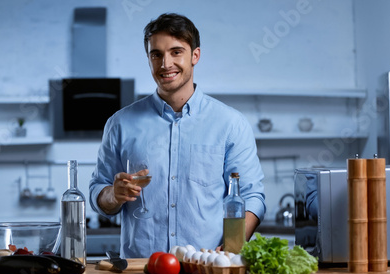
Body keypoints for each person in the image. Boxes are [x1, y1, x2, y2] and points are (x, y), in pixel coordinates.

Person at [89, 13, 265, 258]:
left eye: (176, 52)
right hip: (141, 271)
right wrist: (113, 194)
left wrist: (231, 249)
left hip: (205, 267)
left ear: (195, 56)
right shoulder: (120, 124)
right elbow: (99, 190)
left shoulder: (231, 124)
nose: (165, 64)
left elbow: (251, 195)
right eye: (156, 54)